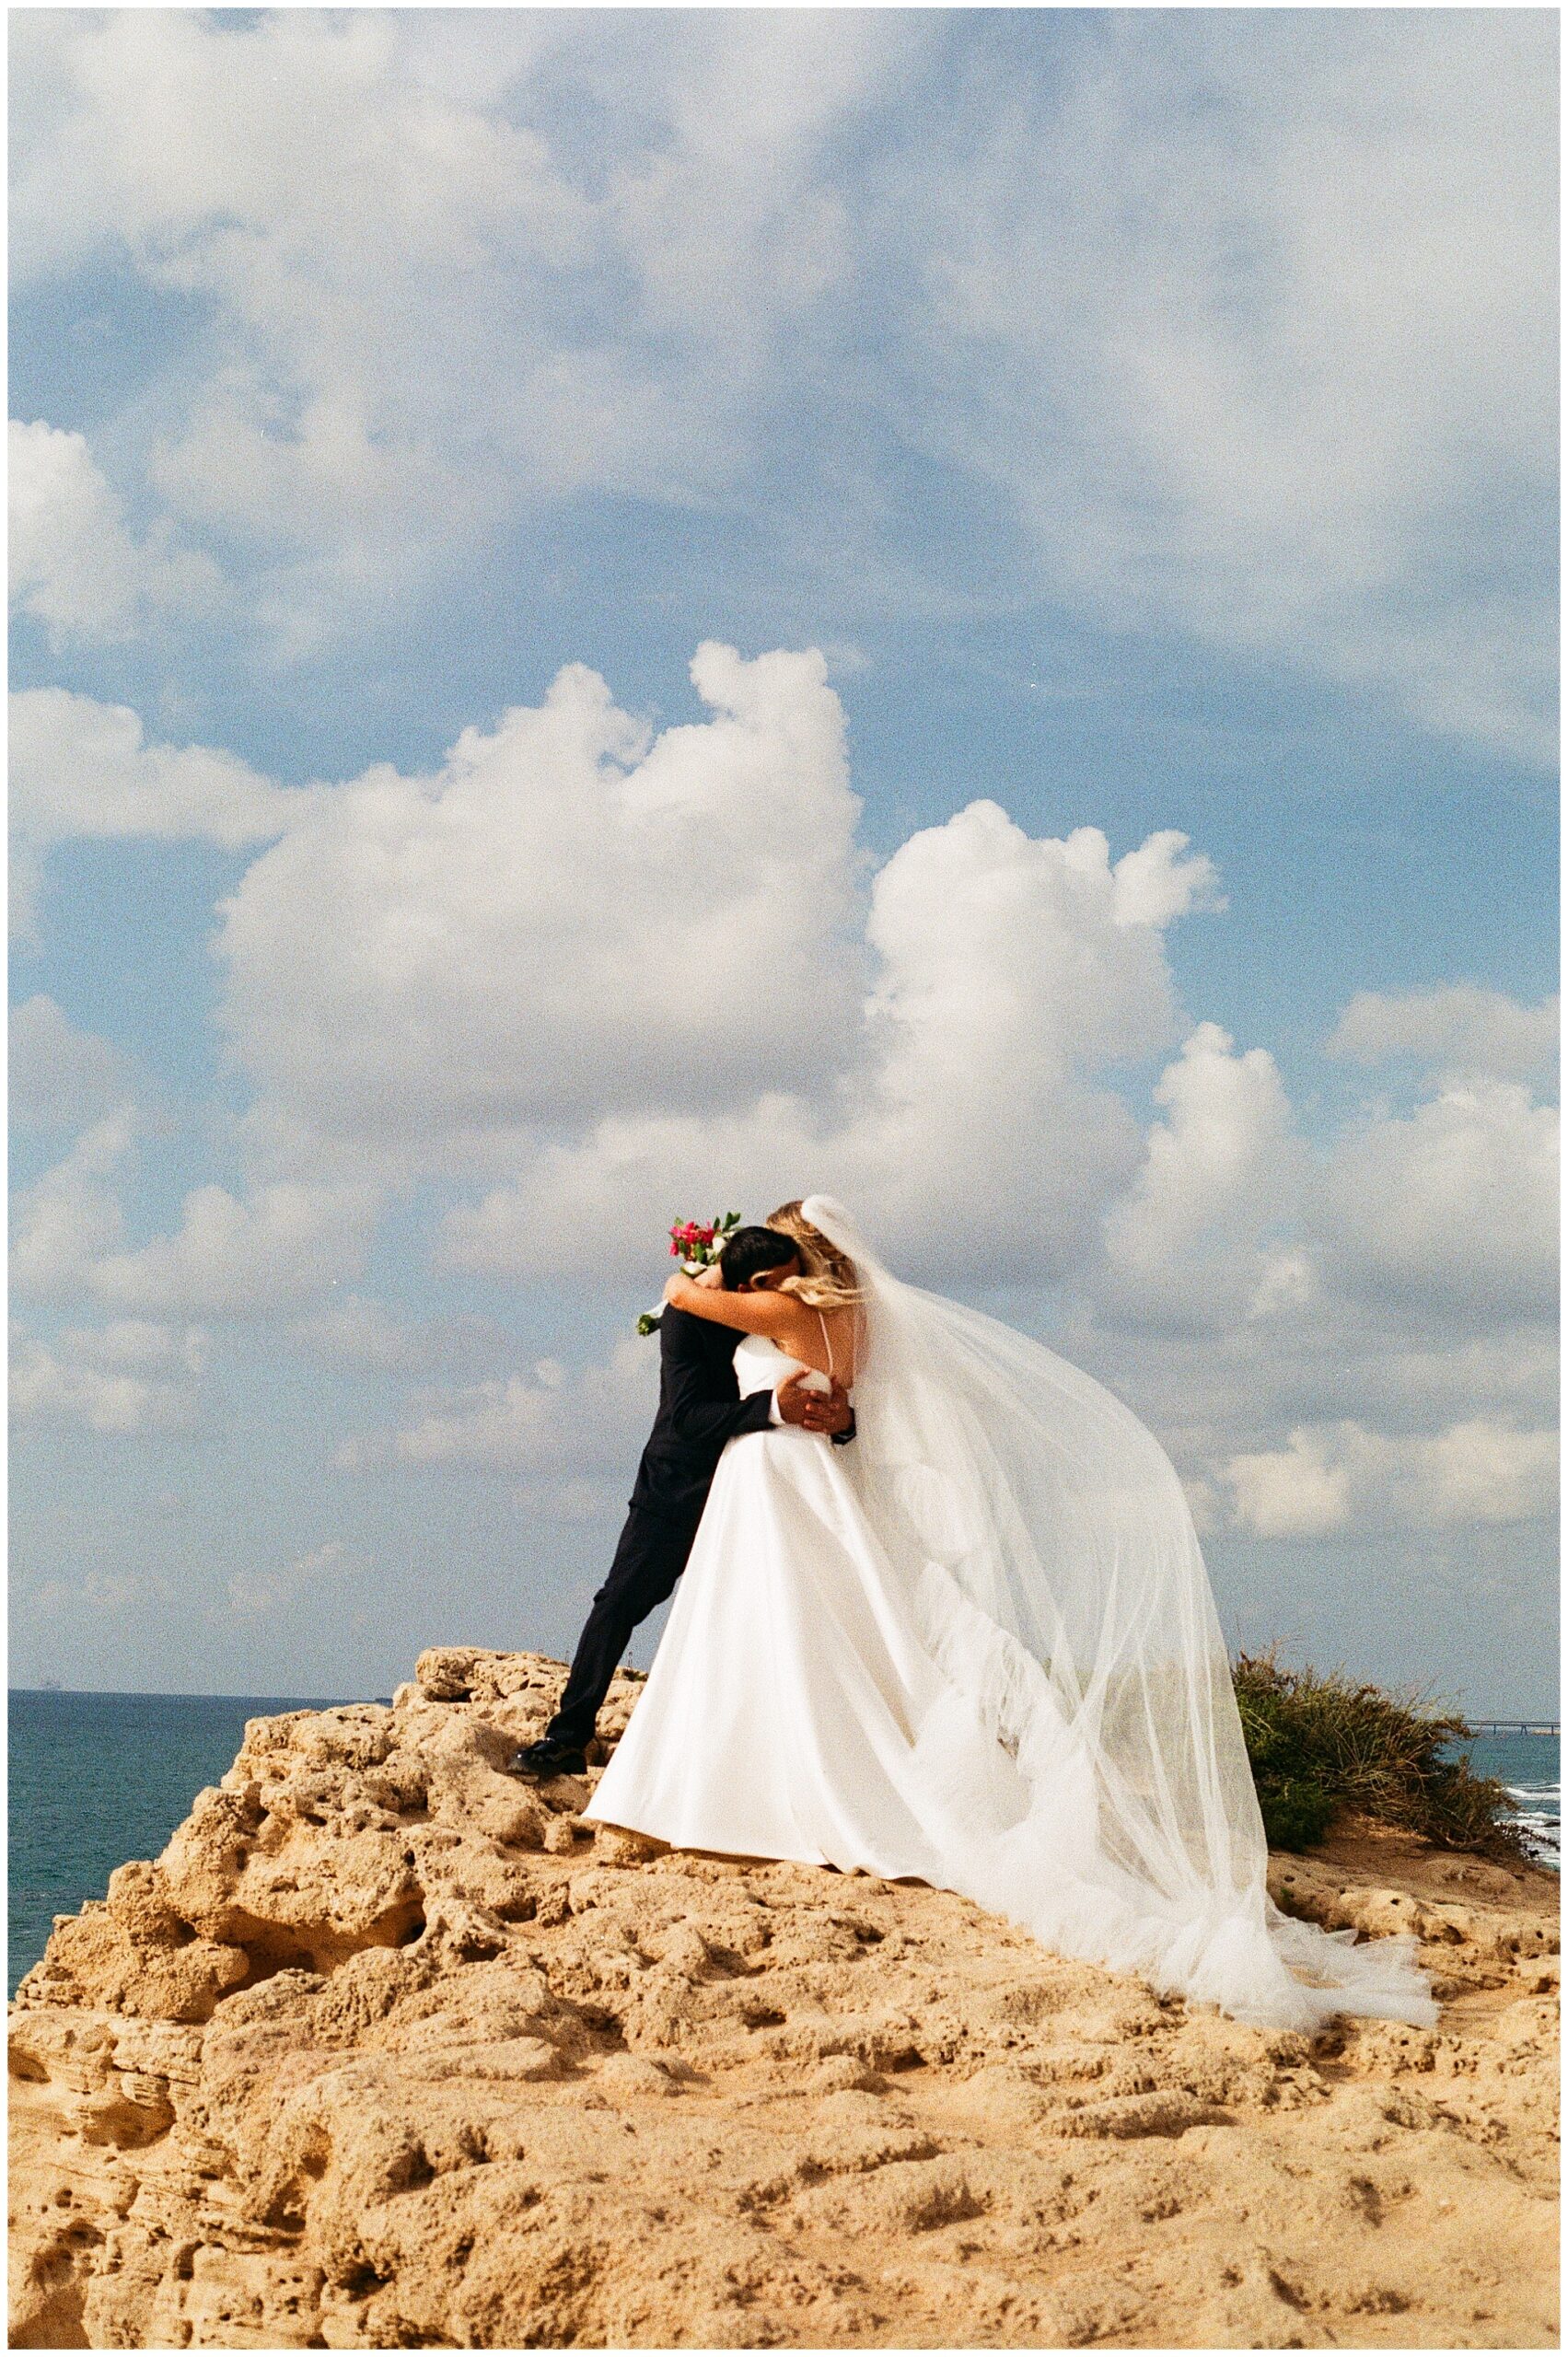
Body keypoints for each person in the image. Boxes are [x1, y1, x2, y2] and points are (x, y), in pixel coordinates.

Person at [581, 1194, 1440, 2036]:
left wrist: (692, 1275)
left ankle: (753, 1782)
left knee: (785, 1629)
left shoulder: (774, 1307)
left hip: (781, 1480)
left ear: (801, 1257)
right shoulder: (857, 1320)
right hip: (806, 1478)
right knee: (812, 1629)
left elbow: (689, 1299)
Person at [507, 1222, 854, 1779]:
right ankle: (568, 1735)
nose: (793, 1294)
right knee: (620, 1602)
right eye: (784, 1283)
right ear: (753, 1283)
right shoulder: (688, 1317)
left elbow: (834, 1394)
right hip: (679, 1484)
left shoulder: (787, 1319)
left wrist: (843, 1422)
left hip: (770, 1493)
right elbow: (686, 1416)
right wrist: (772, 1409)